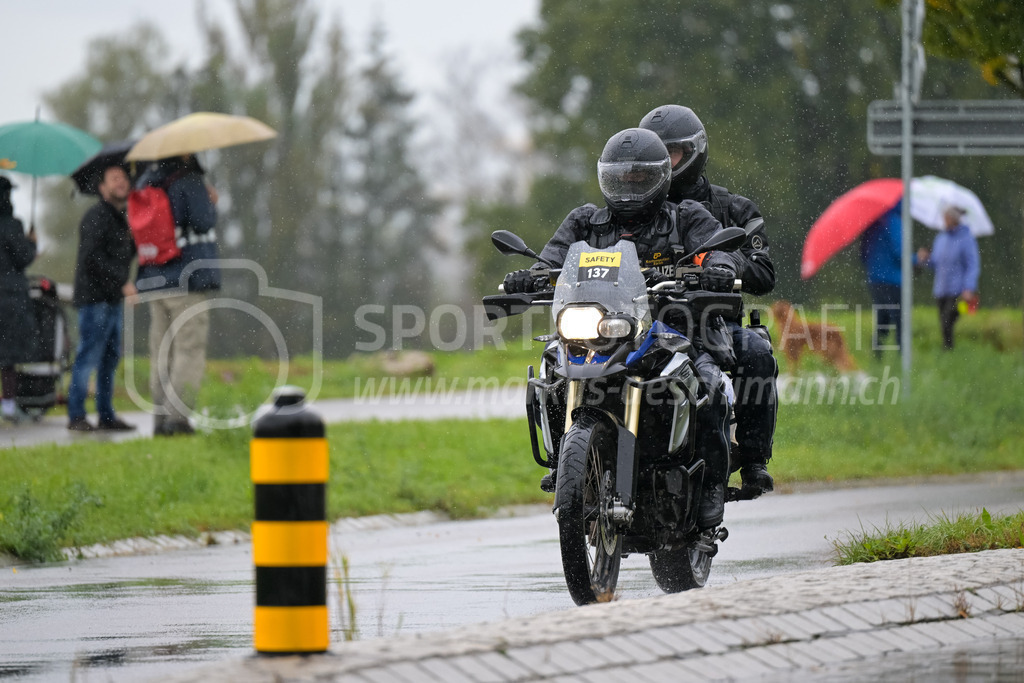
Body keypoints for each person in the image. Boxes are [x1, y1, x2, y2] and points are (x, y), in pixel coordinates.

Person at [503, 127, 742, 529]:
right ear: (605, 179)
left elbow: (717, 249)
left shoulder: (685, 216)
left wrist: (719, 268)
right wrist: (529, 276)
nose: (630, 186)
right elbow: (551, 262)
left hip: (674, 327)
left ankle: (712, 488)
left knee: (709, 382)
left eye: (640, 177)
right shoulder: (585, 222)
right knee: (550, 370)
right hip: (603, 329)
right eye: (621, 178)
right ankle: (569, 465)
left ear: (662, 177)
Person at [638, 104, 777, 497]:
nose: (663, 164)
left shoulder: (734, 208)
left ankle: (751, 459)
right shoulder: (632, 210)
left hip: (712, 323)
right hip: (641, 324)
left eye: (672, 155)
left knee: (755, 350)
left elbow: (763, 272)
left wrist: (727, 266)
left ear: (695, 153)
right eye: (655, 156)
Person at [134, 154, 221, 436]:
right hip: (187, 278)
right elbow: (203, 220)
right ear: (184, 152)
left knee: (162, 351)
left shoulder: (146, 181)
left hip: (155, 278)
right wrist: (210, 201)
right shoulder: (188, 181)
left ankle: (160, 419)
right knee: (189, 348)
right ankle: (178, 419)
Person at [67, 165, 137, 431]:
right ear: (102, 188)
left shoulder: (122, 219)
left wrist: (132, 240)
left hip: (112, 300)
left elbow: (121, 258)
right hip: (95, 300)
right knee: (88, 356)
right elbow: (91, 259)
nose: (121, 182)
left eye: (123, 178)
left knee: (109, 359)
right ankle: (76, 416)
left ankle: (106, 415)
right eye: (114, 179)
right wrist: (121, 282)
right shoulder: (96, 216)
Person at [0, 176, 38, 424]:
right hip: (9, 298)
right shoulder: (11, 225)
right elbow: (23, 257)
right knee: (8, 357)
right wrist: (31, 243)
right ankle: (9, 407)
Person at [919, 205, 980, 350]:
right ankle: (948, 349)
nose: (944, 220)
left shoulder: (967, 239)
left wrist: (968, 288)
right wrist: (925, 259)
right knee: (943, 322)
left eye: (946, 217)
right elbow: (935, 263)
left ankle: (948, 349)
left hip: (958, 290)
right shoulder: (941, 238)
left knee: (948, 319)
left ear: (953, 219)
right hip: (941, 289)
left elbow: (972, 265)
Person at [860, 202, 910, 355]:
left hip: (875, 281)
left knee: (883, 320)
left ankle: (877, 356)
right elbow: (900, 253)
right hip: (893, 281)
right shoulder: (894, 221)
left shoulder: (873, 222)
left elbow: (862, 255)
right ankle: (903, 359)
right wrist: (917, 260)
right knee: (900, 321)